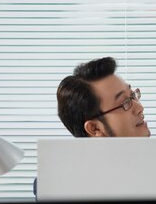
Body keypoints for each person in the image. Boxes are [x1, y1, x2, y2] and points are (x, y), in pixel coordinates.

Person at [34, 56, 150, 196]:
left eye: (132, 96)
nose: (139, 107)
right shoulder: (58, 187)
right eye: (124, 102)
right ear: (95, 129)